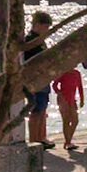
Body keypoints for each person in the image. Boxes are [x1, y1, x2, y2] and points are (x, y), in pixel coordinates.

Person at [23, 11, 55, 146]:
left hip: (43, 79)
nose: (47, 30)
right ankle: (34, 139)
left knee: (43, 109)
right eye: (45, 27)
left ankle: (41, 136)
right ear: (38, 25)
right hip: (34, 81)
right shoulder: (30, 40)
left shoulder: (40, 41)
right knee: (36, 110)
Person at [53, 64, 84, 149]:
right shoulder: (62, 73)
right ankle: (68, 142)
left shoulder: (76, 73)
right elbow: (54, 85)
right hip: (63, 98)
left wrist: (82, 99)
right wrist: (59, 94)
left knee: (75, 120)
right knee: (66, 120)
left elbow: (80, 87)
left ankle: (68, 140)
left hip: (72, 99)